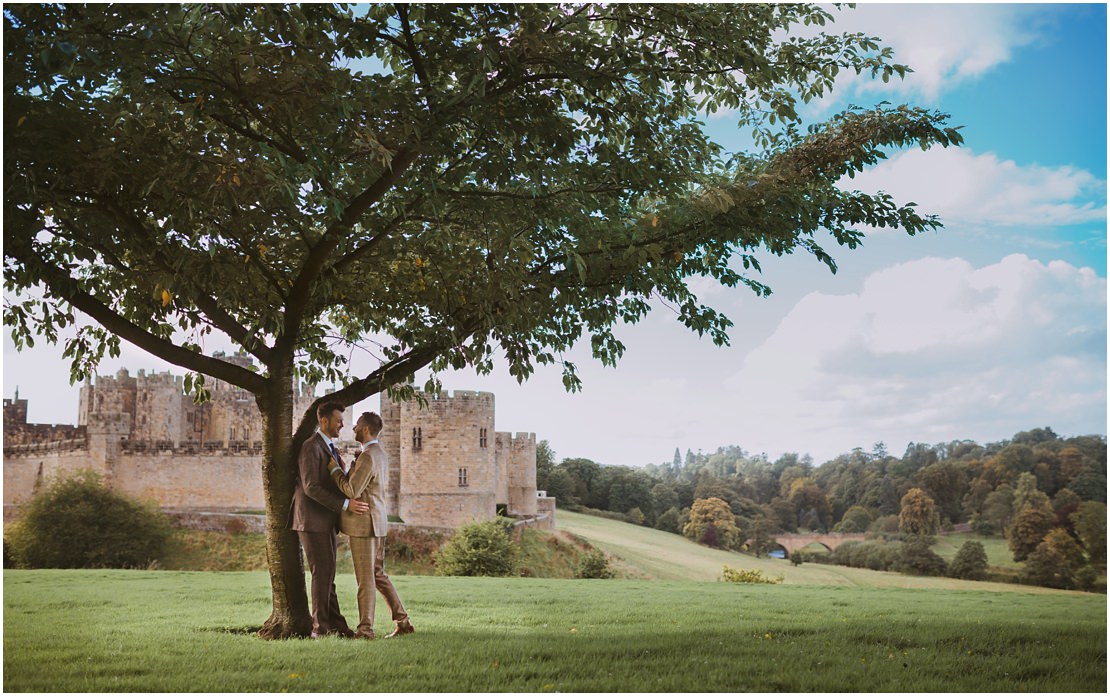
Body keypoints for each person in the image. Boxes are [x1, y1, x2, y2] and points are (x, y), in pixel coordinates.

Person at [328, 410, 415, 640]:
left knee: (366, 579)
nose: (353, 429)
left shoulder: (368, 456)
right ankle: (403, 621)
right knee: (378, 575)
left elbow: (351, 490)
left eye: (357, 425)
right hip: (378, 522)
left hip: (364, 526)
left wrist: (334, 469)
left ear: (365, 429)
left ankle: (365, 630)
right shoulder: (380, 453)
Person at [290, 401, 370, 639]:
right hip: (312, 520)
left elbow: (337, 481)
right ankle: (319, 629)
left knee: (327, 574)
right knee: (322, 573)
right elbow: (311, 487)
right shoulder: (311, 447)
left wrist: (354, 465)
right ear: (323, 421)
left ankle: (337, 625)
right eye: (338, 420)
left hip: (324, 520)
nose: (342, 424)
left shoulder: (329, 448)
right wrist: (346, 505)